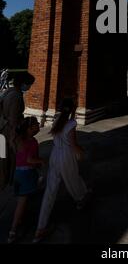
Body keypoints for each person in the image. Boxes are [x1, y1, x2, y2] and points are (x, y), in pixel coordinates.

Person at [34, 98, 90, 243]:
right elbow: (73, 144)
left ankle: (40, 227)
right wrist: (81, 152)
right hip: (65, 155)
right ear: (72, 109)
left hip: (55, 154)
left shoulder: (57, 119)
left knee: (50, 190)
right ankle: (80, 198)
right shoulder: (71, 124)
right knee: (72, 179)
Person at [8, 116, 44, 244]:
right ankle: (13, 230)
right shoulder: (32, 142)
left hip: (18, 173)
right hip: (27, 175)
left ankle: (19, 221)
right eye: (36, 124)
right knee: (22, 202)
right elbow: (30, 160)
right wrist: (42, 161)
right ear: (29, 129)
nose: (38, 126)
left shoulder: (18, 140)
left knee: (22, 200)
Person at [0, 72, 35, 191]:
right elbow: (13, 119)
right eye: (29, 84)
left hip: (2, 128)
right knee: (9, 158)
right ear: (23, 83)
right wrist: (13, 138)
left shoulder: (8, 91)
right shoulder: (16, 96)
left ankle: (4, 180)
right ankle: (6, 181)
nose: (29, 87)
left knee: (2, 156)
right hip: (9, 131)